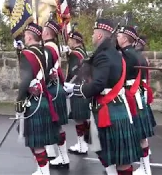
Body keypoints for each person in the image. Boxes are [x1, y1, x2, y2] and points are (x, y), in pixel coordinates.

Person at [64, 18, 143, 175]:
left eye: (94, 33)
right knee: (102, 149)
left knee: (120, 160)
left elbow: (98, 84)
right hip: (112, 108)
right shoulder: (113, 53)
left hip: (109, 109)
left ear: (99, 36)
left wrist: (75, 89)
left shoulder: (104, 55)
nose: (92, 36)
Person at [14, 22, 60, 175]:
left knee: (36, 141)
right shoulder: (45, 51)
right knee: (37, 140)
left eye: (25, 35)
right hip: (44, 98)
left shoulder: (27, 54)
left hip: (33, 101)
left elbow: (25, 79)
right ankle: (42, 170)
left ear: (28, 36)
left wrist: (19, 100)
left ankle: (44, 172)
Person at [117, 27, 154, 175]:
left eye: (119, 35)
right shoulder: (139, 56)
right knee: (142, 137)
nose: (117, 38)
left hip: (131, 98)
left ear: (125, 39)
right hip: (140, 97)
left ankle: (142, 169)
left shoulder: (125, 56)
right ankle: (146, 169)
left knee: (133, 138)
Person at [42, 20, 70, 169]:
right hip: (56, 87)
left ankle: (63, 157)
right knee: (54, 124)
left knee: (55, 125)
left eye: (43, 30)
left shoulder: (47, 48)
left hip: (51, 90)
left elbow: (44, 71)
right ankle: (53, 151)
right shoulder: (54, 47)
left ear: (46, 33)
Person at [65, 31, 91, 155]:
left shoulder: (75, 55)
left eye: (70, 40)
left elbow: (73, 72)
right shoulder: (82, 52)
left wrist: (66, 84)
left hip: (76, 87)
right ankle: (84, 143)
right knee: (82, 118)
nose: (68, 42)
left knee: (78, 118)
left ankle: (82, 145)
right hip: (84, 87)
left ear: (75, 41)